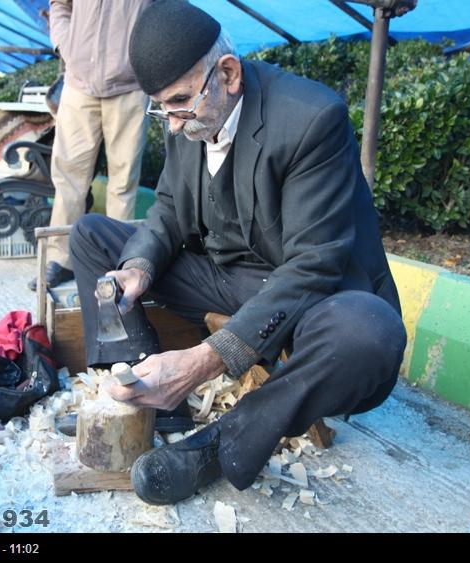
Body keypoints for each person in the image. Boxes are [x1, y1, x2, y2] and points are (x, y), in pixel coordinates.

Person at [68, 0, 407, 505]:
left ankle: (217, 445)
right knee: (91, 234)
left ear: (227, 73)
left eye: (181, 104)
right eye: (163, 109)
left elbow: (314, 264)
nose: (175, 125)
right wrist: (137, 268)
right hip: (229, 276)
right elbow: (167, 208)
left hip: (309, 297)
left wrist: (204, 361)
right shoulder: (189, 113)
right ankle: (140, 395)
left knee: (369, 333)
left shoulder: (313, 119)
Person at [28, 0, 153, 291]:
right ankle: (60, 259)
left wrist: (142, 59)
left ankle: (116, 264)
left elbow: (168, 13)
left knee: (124, 182)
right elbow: (60, 4)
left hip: (130, 86)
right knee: (68, 178)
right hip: (80, 83)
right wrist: (66, 44)